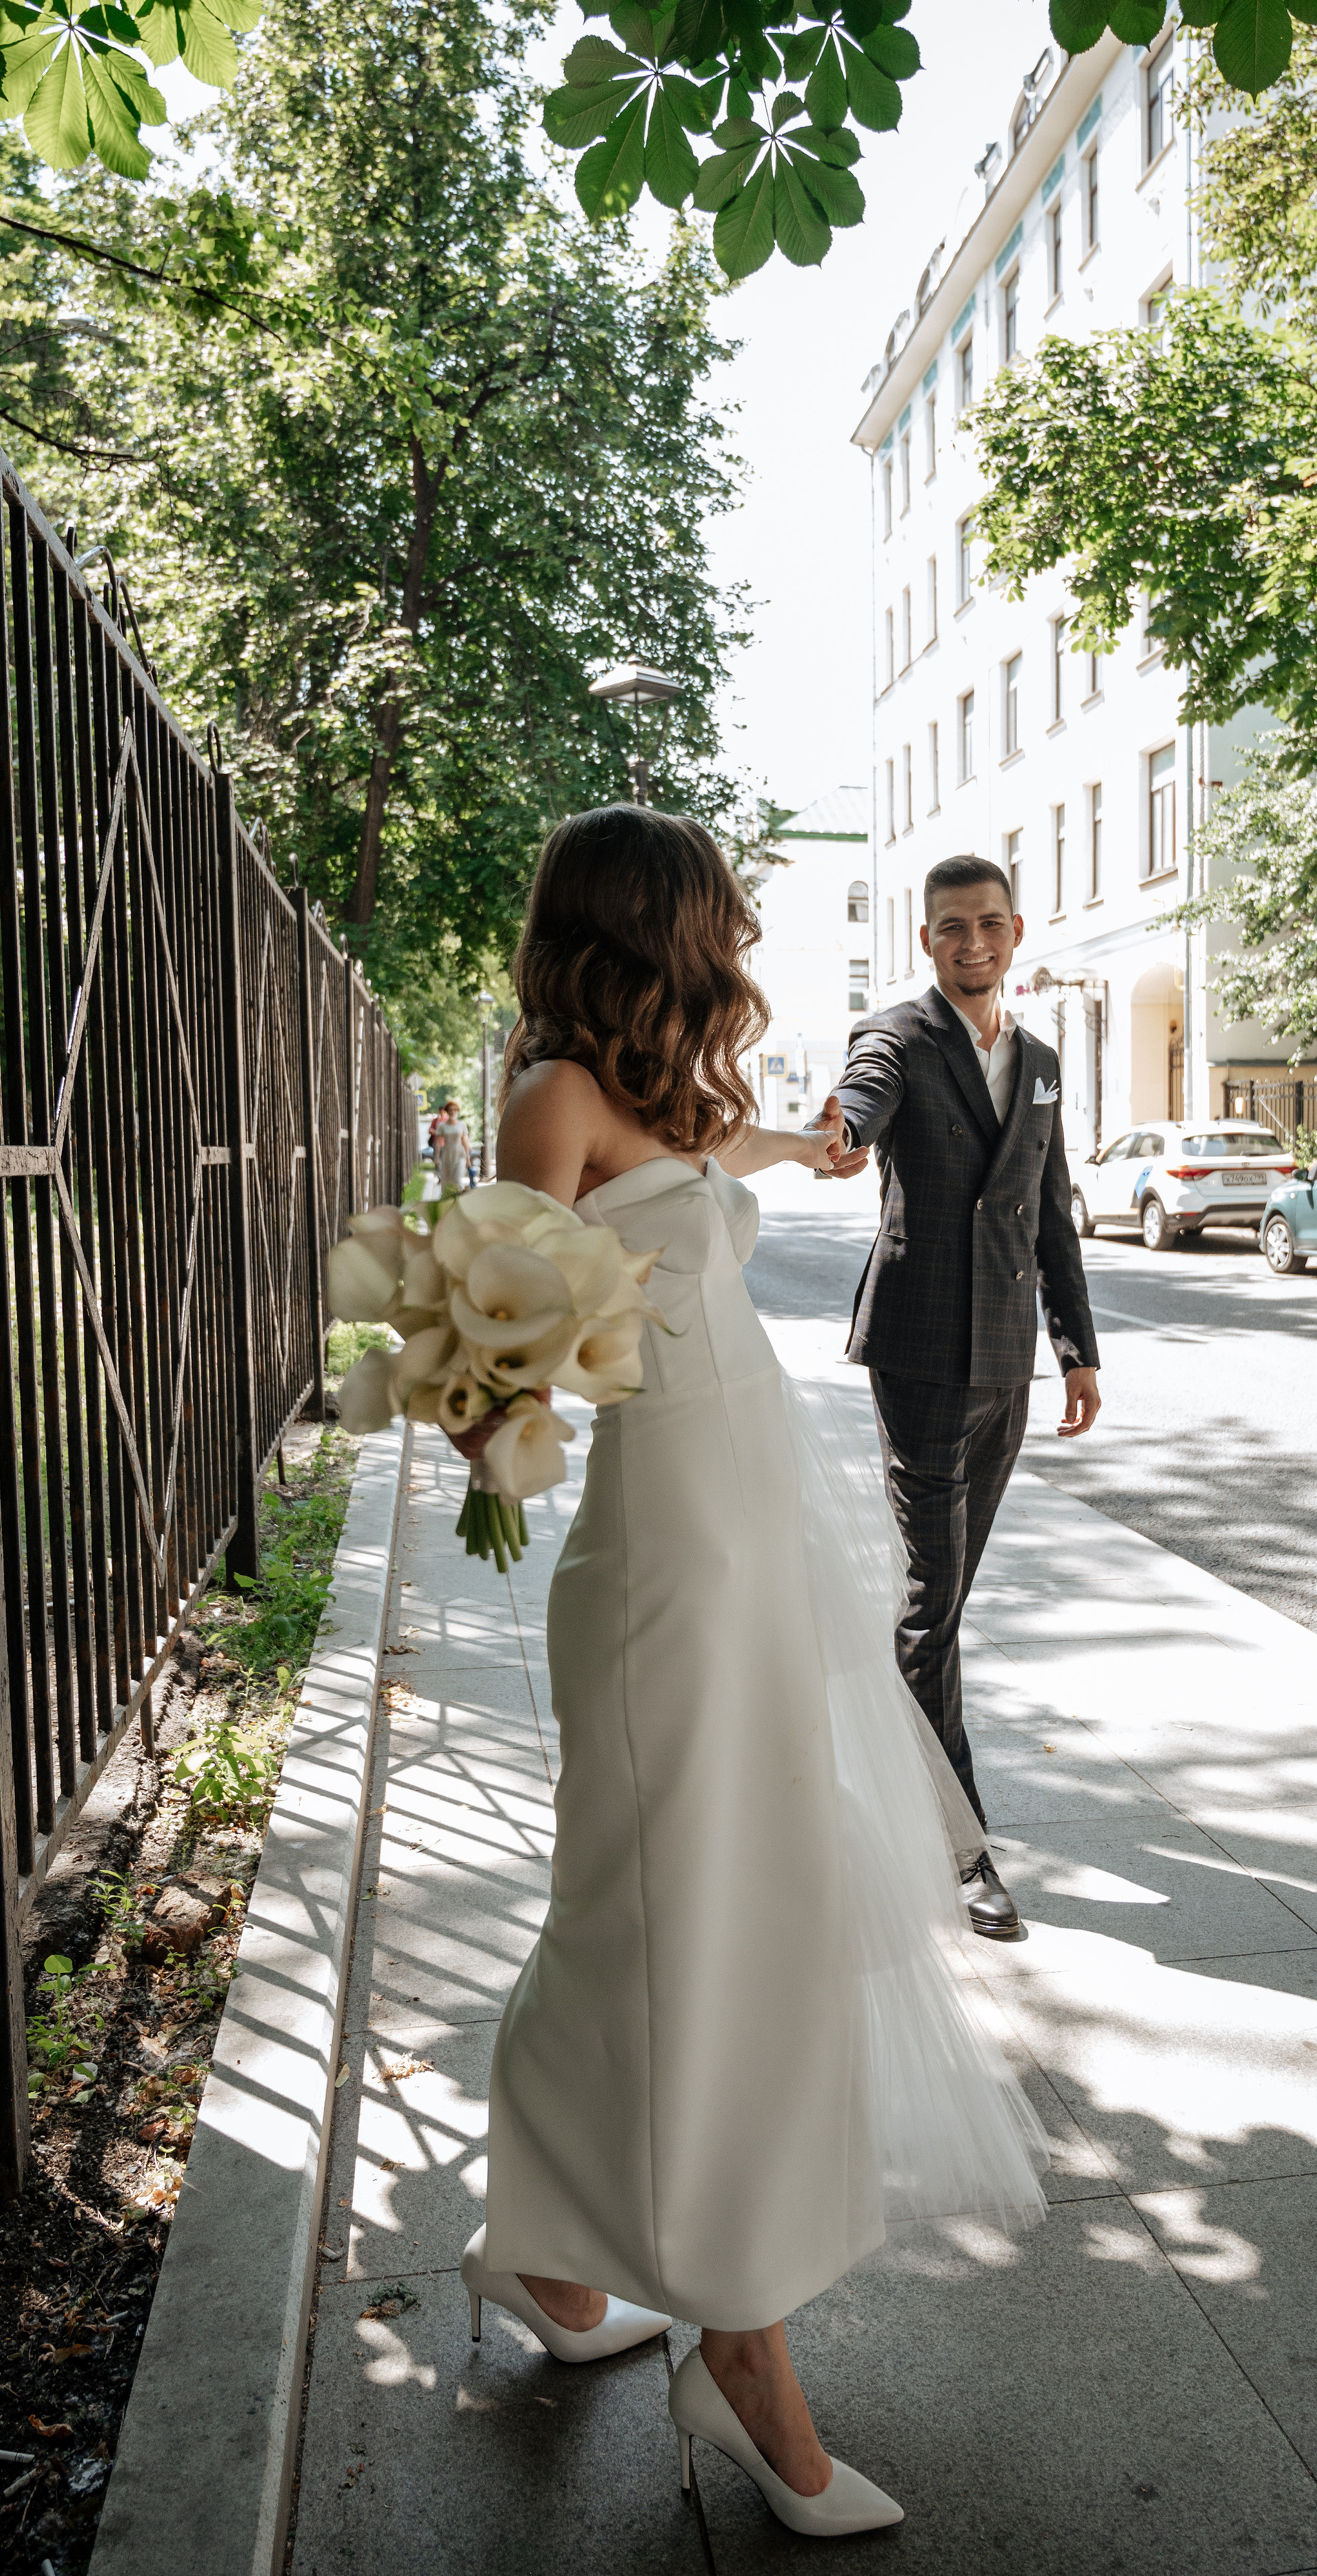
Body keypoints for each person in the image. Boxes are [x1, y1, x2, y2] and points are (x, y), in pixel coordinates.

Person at [449, 806, 1046, 2536]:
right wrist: (509, 1394)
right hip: (660, 1580)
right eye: (716, 915)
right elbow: (491, 1376)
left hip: (753, 1560)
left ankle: (550, 2263)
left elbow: (753, 1152)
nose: (739, 941)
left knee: (674, 1918)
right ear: (652, 929)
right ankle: (741, 2349)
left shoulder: (679, 1097)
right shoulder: (553, 1096)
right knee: (684, 1931)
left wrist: (811, 1142)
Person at [813, 857, 1101, 1941]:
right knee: (935, 1605)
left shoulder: (1038, 1058)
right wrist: (842, 1129)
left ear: (1016, 930)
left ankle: (885, 1772)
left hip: (1012, 1356)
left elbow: (1050, 1213)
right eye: (950, 927)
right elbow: (865, 1095)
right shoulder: (895, 1034)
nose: (971, 941)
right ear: (924, 937)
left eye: (987, 923)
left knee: (944, 1603)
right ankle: (961, 1845)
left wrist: (1077, 1347)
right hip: (922, 1353)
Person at [436, 1098, 472, 1193]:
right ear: (447, 1112)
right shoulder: (442, 1126)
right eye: (451, 1110)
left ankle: (460, 1201)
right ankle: (448, 1202)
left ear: (457, 1111)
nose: (453, 1112)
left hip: (460, 1154)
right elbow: (438, 1143)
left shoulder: (462, 1125)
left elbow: (465, 1141)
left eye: (455, 1110)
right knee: (447, 1181)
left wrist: (468, 1158)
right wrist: (436, 1159)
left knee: (458, 1180)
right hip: (448, 1154)